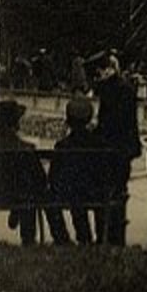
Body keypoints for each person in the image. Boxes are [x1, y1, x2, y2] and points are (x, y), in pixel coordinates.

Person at [0, 98, 70, 244]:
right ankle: (60, 238)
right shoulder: (26, 148)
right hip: (22, 196)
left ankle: (17, 214)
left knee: (25, 192)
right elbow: (40, 179)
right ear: (16, 123)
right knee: (34, 193)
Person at [90, 51, 141, 244]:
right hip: (125, 148)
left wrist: (95, 132)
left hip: (110, 149)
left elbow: (107, 123)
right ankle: (117, 236)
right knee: (119, 192)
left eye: (99, 73)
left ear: (106, 70)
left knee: (106, 192)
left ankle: (105, 236)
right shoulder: (126, 88)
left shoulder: (108, 90)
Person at [49, 96, 112, 244]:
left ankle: (67, 238)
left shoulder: (63, 145)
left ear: (68, 120)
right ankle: (100, 238)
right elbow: (106, 172)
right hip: (96, 192)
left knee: (71, 197)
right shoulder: (100, 144)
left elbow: (53, 175)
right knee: (92, 195)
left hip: (70, 194)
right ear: (89, 118)